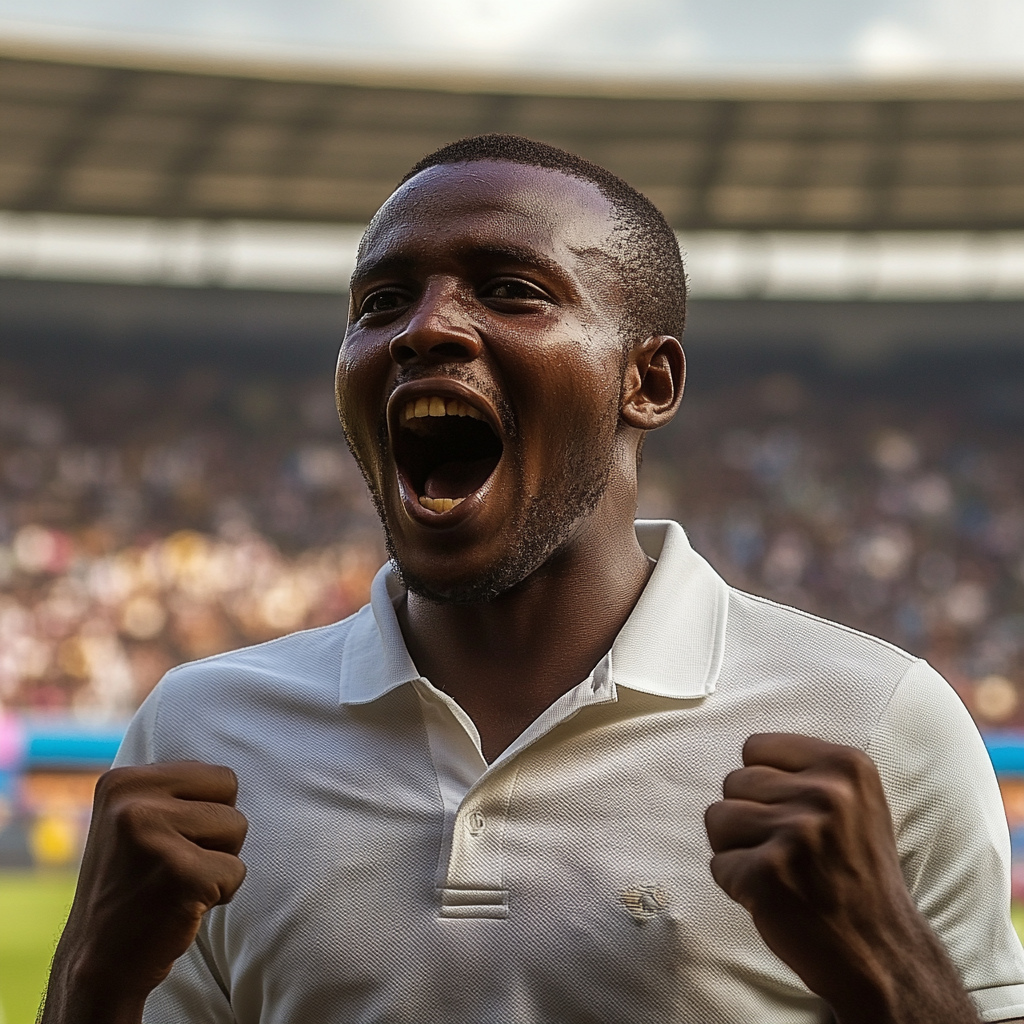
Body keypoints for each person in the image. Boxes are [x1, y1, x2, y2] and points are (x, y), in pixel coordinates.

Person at [42, 135, 1024, 1024]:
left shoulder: (873, 720)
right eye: (380, 303)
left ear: (650, 381)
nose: (423, 329)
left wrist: (897, 980)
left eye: (510, 289)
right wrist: (91, 984)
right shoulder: (202, 732)